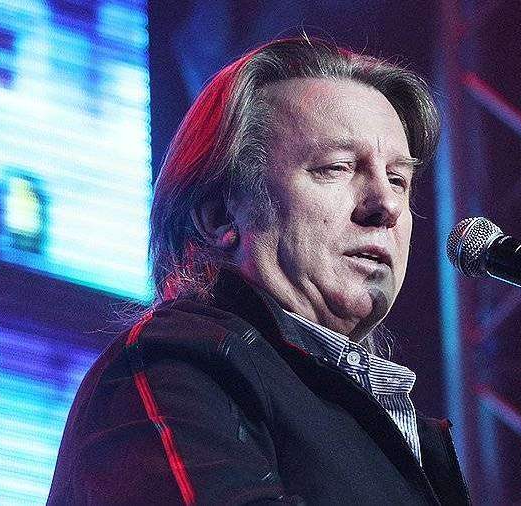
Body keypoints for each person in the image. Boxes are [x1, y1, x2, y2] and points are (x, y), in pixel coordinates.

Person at [47, 37, 470, 505]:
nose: (386, 204)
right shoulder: (175, 365)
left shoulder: (404, 433)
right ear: (220, 217)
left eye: (398, 179)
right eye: (337, 167)